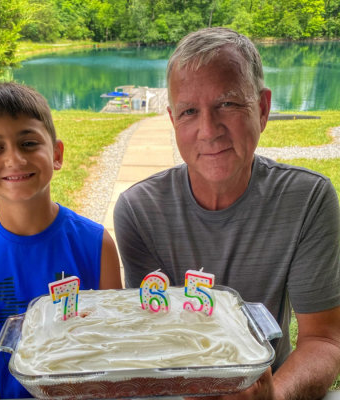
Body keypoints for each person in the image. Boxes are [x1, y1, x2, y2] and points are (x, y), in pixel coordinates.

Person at [114, 27, 340, 399]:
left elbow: (324, 339)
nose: (209, 130)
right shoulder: (138, 211)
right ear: (173, 122)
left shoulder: (308, 199)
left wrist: (274, 395)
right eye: (189, 112)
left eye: (228, 104)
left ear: (263, 108)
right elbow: (151, 334)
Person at [0, 82, 122, 399]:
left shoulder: (97, 245)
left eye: (28, 143)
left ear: (56, 154)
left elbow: (112, 345)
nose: (15, 158)